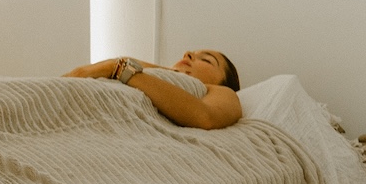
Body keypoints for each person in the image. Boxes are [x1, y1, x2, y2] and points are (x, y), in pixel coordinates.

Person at [65, 49, 244, 130]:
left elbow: (205, 117)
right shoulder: (146, 73)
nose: (188, 53)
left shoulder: (221, 91)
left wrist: (122, 71)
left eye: (206, 59)